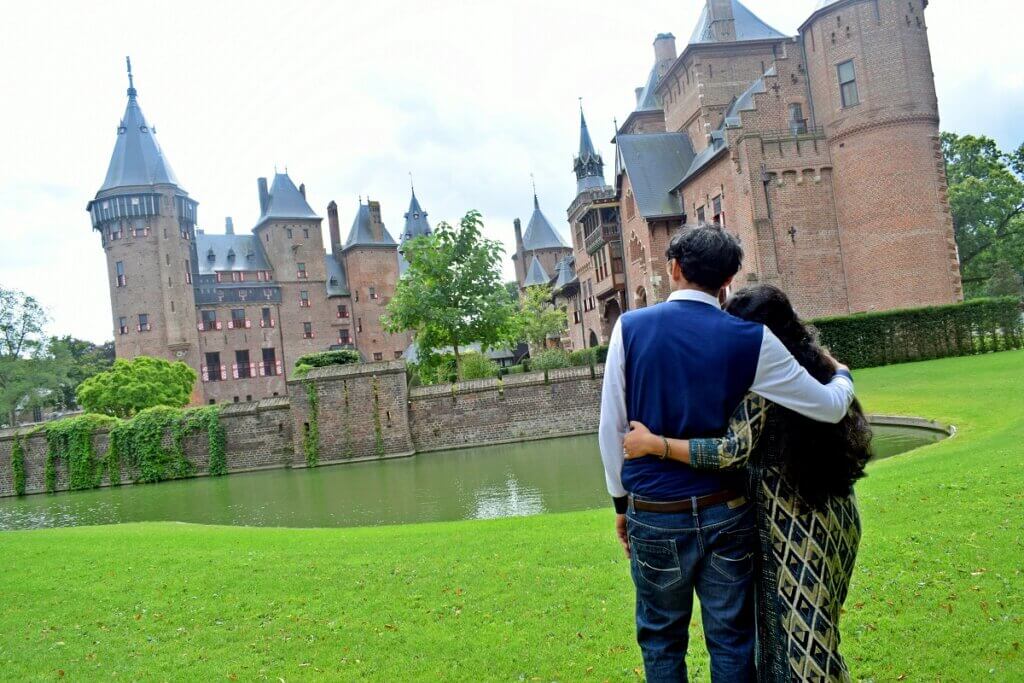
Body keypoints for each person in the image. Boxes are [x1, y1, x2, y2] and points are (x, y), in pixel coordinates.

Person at [598, 226, 856, 681]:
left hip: (655, 511)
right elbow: (829, 406)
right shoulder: (752, 340)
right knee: (733, 642)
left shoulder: (630, 328)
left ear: (674, 268)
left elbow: (611, 430)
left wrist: (621, 504)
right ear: (727, 282)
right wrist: (842, 375)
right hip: (727, 513)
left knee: (661, 641)